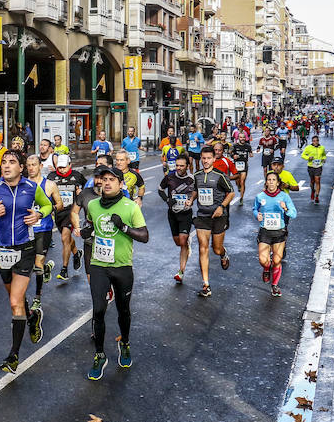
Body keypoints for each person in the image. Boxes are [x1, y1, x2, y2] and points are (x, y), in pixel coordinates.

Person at [0, 150, 53, 374]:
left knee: (15, 302)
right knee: (15, 299)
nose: (7, 166)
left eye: (12, 162)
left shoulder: (31, 187)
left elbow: (47, 206)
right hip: (2, 250)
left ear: (21, 167)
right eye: (4, 162)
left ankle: (13, 355)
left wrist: (38, 215)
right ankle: (33, 316)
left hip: (26, 249)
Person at [83, 165, 149, 380]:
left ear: (121, 184)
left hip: (122, 267)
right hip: (99, 265)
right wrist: (86, 230)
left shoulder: (130, 207)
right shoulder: (92, 205)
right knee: (98, 310)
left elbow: (145, 236)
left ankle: (125, 342)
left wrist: (124, 228)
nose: (107, 182)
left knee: (123, 310)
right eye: (104, 179)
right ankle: (100, 354)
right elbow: (91, 224)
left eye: (113, 179)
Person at [193, 147, 235, 298]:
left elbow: (231, 192)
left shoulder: (219, 176)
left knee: (216, 249)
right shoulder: (196, 175)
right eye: (203, 158)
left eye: (208, 158)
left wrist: (221, 207)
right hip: (202, 216)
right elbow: (195, 189)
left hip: (218, 216)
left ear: (213, 159)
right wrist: (191, 199)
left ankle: (223, 254)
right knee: (203, 248)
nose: (205, 161)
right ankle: (206, 284)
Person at [26, 155, 62, 309]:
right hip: (26, 230)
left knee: (38, 264)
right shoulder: (23, 184)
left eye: (34, 164)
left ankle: (37, 297)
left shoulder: (50, 185)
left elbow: (59, 204)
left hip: (44, 229)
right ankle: (46, 269)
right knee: (27, 264)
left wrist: (47, 210)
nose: (31, 168)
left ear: (40, 166)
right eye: (28, 165)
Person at [254, 171, 297, 297]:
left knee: (277, 260)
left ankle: (275, 286)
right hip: (265, 231)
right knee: (263, 260)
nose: (271, 182)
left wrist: (285, 208)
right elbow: (255, 209)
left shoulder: (284, 197)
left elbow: (294, 214)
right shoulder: (260, 196)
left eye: (274, 180)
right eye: (269, 180)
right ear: (266, 182)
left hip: (279, 232)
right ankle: (266, 269)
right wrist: (258, 215)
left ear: (278, 183)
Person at [48, 153, 88, 281]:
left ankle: (64, 270)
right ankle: (76, 253)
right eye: (59, 167)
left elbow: (88, 189)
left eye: (64, 167)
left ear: (70, 165)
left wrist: (81, 193)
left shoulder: (77, 176)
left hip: (71, 212)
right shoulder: (52, 177)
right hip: (58, 213)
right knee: (67, 239)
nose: (62, 170)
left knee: (65, 238)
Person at [157, 155, 196, 283]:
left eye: (181, 166)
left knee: (183, 240)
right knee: (178, 242)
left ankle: (181, 271)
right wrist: (167, 200)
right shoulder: (170, 177)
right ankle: (186, 243)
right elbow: (160, 189)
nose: (178, 168)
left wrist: (191, 200)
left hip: (185, 213)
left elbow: (197, 191)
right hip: (172, 213)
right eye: (177, 165)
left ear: (187, 166)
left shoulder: (191, 179)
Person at [230, 131, 254, 205]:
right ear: (238, 138)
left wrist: (251, 154)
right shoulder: (234, 146)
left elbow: (251, 152)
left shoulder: (248, 146)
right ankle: (238, 186)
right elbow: (230, 152)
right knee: (237, 181)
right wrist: (233, 155)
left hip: (244, 165)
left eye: (243, 137)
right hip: (236, 165)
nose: (242, 138)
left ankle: (241, 198)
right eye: (241, 137)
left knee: (242, 181)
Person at [301, 135, 327, 204]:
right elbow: (303, 155)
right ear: (312, 141)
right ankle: (313, 190)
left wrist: (324, 158)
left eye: (317, 141)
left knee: (317, 180)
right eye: (314, 141)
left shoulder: (322, 148)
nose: (315, 142)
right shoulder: (308, 148)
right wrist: (308, 158)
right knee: (312, 181)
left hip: (319, 166)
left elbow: (324, 155)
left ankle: (317, 196)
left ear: (318, 141)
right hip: (311, 166)